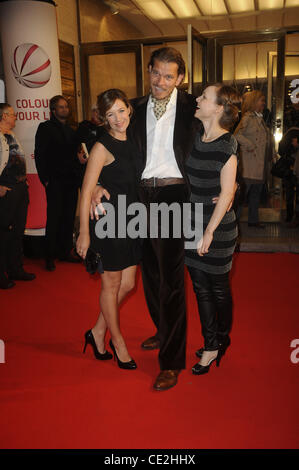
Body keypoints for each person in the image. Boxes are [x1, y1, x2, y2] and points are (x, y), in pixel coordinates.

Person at [90, 47, 199, 391]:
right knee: (149, 273)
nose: (161, 81)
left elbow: (218, 139)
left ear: (180, 78)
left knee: (171, 280)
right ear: (149, 70)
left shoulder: (192, 108)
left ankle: (171, 360)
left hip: (173, 195)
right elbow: (110, 149)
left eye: (169, 76)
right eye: (156, 73)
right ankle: (162, 330)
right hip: (139, 197)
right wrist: (96, 186)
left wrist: (227, 180)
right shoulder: (133, 108)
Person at [76, 89, 141, 370]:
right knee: (111, 284)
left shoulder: (139, 138)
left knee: (128, 284)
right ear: (103, 119)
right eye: (110, 114)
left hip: (134, 220)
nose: (117, 119)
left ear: (129, 109)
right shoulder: (102, 147)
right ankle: (118, 342)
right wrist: (84, 233)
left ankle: (97, 331)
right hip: (108, 222)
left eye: (121, 110)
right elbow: (86, 191)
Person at [185, 84, 240, 375]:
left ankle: (218, 341)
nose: (197, 99)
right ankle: (211, 342)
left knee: (217, 289)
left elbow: (227, 194)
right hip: (190, 223)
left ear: (218, 107)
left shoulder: (227, 144)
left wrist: (208, 233)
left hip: (217, 229)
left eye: (203, 97)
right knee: (199, 288)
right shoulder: (195, 138)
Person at [34, 95, 82, 271]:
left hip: (71, 181)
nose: (65, 110)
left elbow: (76, 156)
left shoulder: (71, 130)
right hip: (54, 181)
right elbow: (39, 154)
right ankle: (49, 256)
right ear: (53, 110)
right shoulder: (45, 128)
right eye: (61, 107)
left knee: (68, 217)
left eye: (66, 107)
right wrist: (45, 179)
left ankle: (64, 252)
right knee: (54, 218)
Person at [0, 103, 35, 289]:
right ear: (4, 116)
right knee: (3, 232)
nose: (15, 117)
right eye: (12, 114)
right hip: (6, 190)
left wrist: (24, 181)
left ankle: (16, 269)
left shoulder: (12, 135)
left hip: (20, 189)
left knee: (17, 231)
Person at [234, 90, 275, 228]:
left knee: (255, 194)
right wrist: (249, 144)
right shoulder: (247, 118)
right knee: (242, 195)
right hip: (250, 164)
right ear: (253, 102)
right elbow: (236, 135)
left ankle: (253, 220)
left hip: (259, 164)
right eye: (261, 100)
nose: (263, 103)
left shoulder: (260, 118)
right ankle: (234, 222)